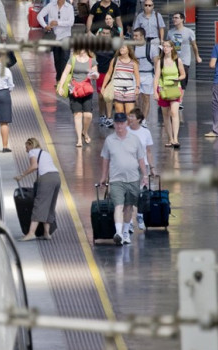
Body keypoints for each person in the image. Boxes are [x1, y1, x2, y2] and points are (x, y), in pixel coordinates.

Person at [99, 112, 148, 245]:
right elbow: (105, 160)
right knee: (118, 206)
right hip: (116, 179)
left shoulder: (134, 140)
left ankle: (125, 232)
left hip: (132, 178)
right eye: (117, 123)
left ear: (126, 124)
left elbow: (141, 159)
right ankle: (119, 232)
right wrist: (104, 177)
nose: (120, 126)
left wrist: (145, 175)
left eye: (122, 123)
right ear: (114, 124)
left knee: (128, 207)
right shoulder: (109, 141)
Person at [15, 138, 61, 241]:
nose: (26, 149)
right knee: (49, 205)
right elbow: (45, 168)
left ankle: (31, 233)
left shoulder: (32, 152)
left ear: (30, 145)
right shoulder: (45, 153)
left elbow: (34, 166)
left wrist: (21, 175)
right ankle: (46, 233)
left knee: (39, 205)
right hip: (56, 177)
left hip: (47, 179)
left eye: (26, 146)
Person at [57, 49, 99, 147]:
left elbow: (96, 74)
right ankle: (79, 139)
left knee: (88, 115)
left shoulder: (91, 60)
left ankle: (85, 131)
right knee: (78, 114)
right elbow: (65, 73)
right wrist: (60, 86)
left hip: (87, 89)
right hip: (75, 90)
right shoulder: (73, 59)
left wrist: (94, 75)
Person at [126, 108, 155, 231]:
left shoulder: (145, 132)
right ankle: (129, 221)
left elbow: (148, 151)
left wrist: (152, 167)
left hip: (143, 166)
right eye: (129, 116)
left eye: (132, 117)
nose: (130, 119)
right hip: (129, 167)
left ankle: (140, 216)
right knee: (130, 194)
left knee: (142, 193)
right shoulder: (125, 131)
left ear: (139, 119)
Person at [166, 12, 202, 110]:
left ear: (182, 19)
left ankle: (180, 101)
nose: (174, 19)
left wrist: (197, 56)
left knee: (182, 80)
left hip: (185, 60)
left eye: (176, 18)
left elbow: (194, 45)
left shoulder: (189, 32)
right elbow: (167, 46)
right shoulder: (170, 32)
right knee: (172, 79)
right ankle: (172, 98)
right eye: (173, 18)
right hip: (173, 59)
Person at [153, 40, 185, 148]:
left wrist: (177, 78)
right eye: (164, 46)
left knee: (174, 112)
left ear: (172, 48)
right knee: (165, 115)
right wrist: (155, 92)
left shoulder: (177, 61)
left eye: (168, 46)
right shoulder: (160, 62)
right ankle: (170, 138)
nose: (165, 48)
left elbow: (183, 74)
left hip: (175, 88)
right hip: (163, 89)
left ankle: (175, 138)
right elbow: (156, 77)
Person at [37, 0, 75, 83]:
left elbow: (71, 22)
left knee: (65, 58)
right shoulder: (50, 5)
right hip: (55, 37)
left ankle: (64, 81)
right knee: (57, 59)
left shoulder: (69, 7)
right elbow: (39, 16)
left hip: (66, 36)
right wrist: (45, 26)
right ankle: (58, 79)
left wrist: (58, 23)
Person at [102, 43, 140, 117]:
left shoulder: (133, 63)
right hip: (117, 89)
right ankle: (121, 128)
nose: (121, 49)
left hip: (129, 89)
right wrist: (103, 86)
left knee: (130, 113)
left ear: (128, 49)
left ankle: (128, 128)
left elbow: (137, 76)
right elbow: (109, 74)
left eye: (123, 48)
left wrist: (137, 87)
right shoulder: (115, 60)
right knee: (119, 112)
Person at [133, 27, 158, 126]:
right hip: (136, 75)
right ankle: (138, 116)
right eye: (134, 36)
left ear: (142, 36)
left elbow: (156, 62)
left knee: (146, 98)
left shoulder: (151, 47)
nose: (134, 38)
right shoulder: (132, 48)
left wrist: (157, 76)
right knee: (135, 98)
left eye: (136, 36)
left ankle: (143, 120)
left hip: (147, 74)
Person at [95, 25, 116, 127]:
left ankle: (109, 118)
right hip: (100, 73)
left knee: (109, 96)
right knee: (100, 96)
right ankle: (102, 115)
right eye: (103, 33)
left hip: (110, 74)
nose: (105, 35)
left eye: (107, 33)